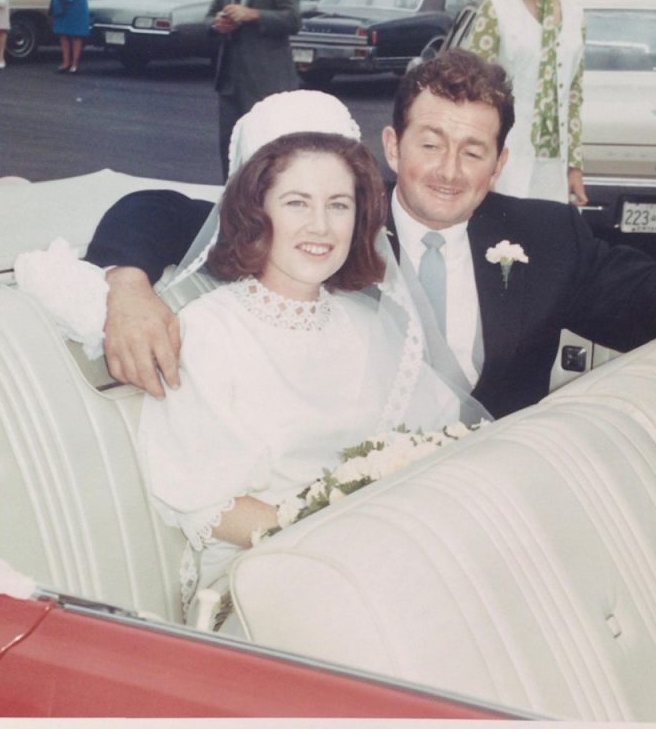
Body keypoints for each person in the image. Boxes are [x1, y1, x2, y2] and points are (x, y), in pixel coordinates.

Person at [85, 49, 656, 419]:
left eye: (472, 151)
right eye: (430, 143)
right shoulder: (338, 217)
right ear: (392, 145)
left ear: (499, 165)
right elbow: (163, 212)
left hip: (499, 492)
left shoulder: (546, 234)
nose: (447, 171)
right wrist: (129, 289)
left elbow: (633, 284)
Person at [132, 94, 484, 624]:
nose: (321, 227)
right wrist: (333, 548)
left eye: (338, 205)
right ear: (256, 212)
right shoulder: (210, 331)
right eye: (297, 203)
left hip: (374, 556)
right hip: (259, 571)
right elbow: (206, 501)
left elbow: (435, 436)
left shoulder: (369, 326)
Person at [466, 0, 586, 205]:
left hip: (554, 166)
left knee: (548, 236)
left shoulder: (576, 15)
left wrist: (575, 167)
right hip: (505, 157)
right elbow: (474, 92)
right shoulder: (496, 10)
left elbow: (574, 95)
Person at [204, 0, 303, 180]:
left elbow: (293, 20)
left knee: (266, 152)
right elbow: (209, 16)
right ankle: (229, 204)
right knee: (231, 152)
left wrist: (252, 14)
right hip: (230, 81)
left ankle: (264, 206)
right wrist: (217, 24)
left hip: (267, 81)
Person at [50, 0, 90, 73]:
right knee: (62, 34)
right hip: (60, 1)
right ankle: (66, 63)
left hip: (76, 2)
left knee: (76, 34)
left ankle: (75, 64)